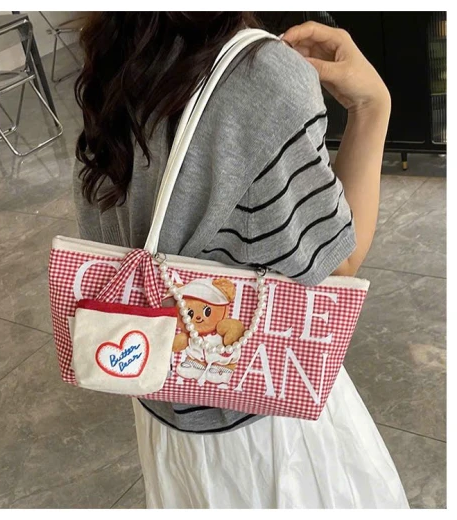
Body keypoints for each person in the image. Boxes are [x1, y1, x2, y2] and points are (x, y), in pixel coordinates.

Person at [73, 12, 409, 509]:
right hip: (268, 432)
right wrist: (372, 106)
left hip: (161, 404)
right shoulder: (264, 74)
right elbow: (337, 263)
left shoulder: (116, 52)